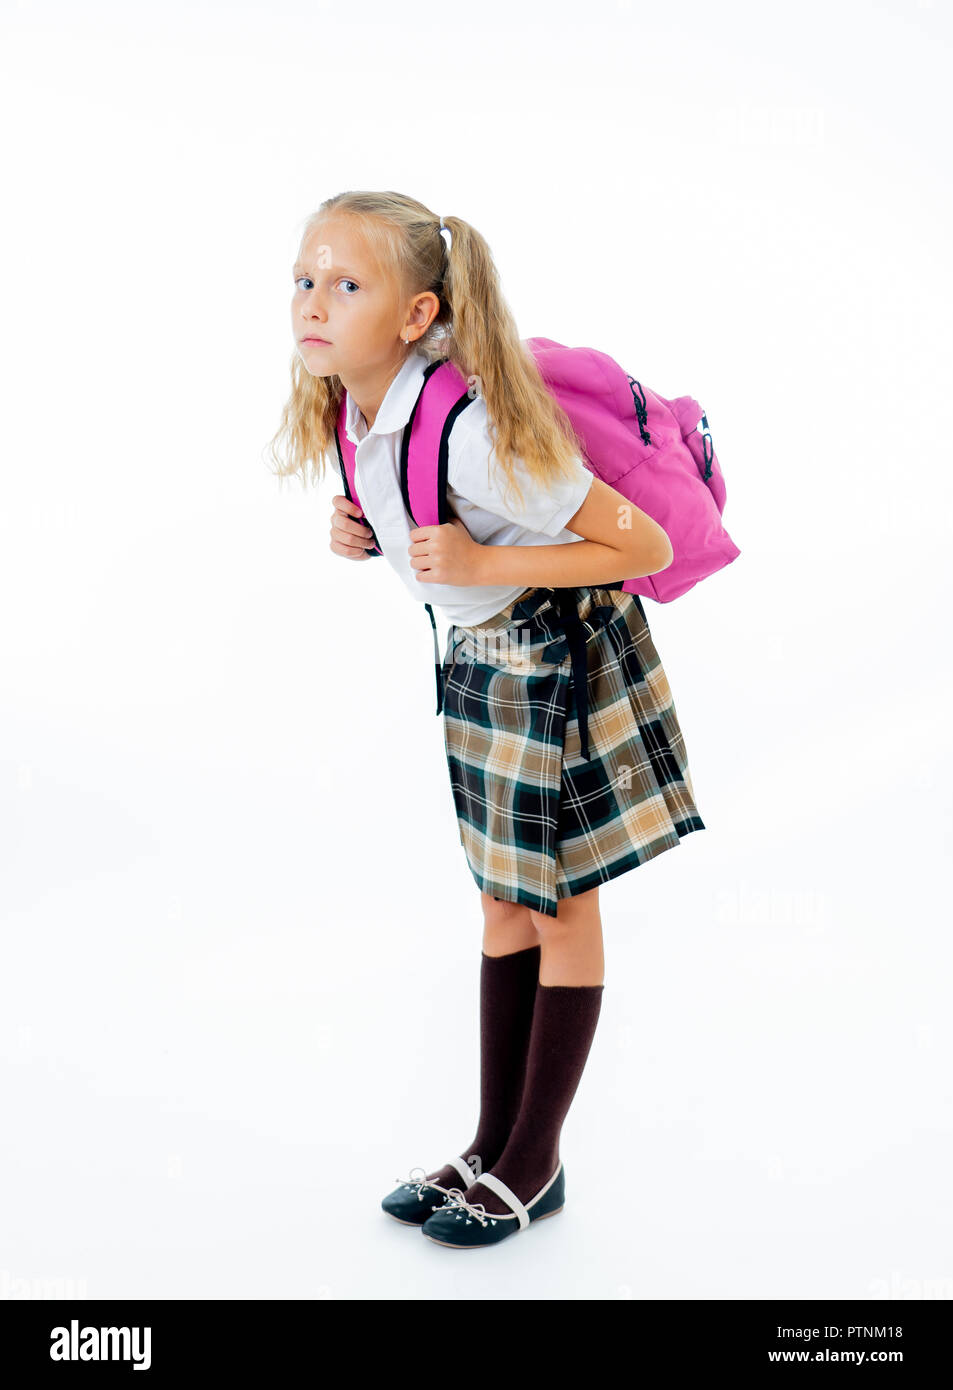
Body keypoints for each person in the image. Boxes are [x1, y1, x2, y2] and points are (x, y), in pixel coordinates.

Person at [267, 190, 706, 1248]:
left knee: (560, 904)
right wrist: (363, 527)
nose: (313, 302)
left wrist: (479, 560)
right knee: (505, 906)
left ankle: (534, 1155)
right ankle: (488, 1142)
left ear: (417, 315)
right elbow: (415, 520)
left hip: (558, 659)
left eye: (347, 283)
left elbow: (638, 545)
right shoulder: (355, 405)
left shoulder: (468, 427)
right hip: (480, 665)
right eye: (304, 278)